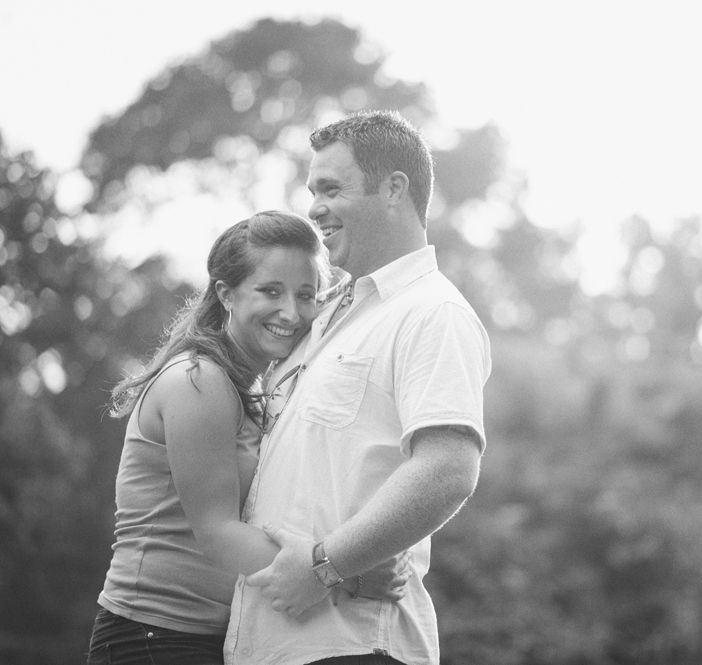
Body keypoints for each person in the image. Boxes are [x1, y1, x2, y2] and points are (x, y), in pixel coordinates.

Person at [224, 111, 492, 665]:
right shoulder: (322, 314)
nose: (315, 207)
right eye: (312, 190)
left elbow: (448, 469)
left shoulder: (432, 312)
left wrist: (326, 563)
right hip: (273, 645)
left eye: (331, 188)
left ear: (394, 188)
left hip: (355, 645)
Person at [87, 211, 408, 665]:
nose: (291, 313)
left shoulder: (253, 386)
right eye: (270, 291)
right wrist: (346, 571)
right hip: (155, 637)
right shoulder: (199, 381)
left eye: (306, 295)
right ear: (226, 294)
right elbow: (218, 534)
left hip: (212, 639)